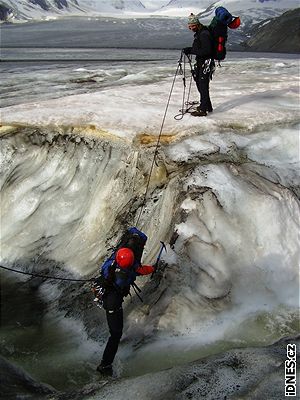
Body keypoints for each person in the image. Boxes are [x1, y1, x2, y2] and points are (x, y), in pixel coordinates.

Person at [93, 227, 155, 377]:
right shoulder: (125, 273)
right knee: (115, 334)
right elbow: (140, 270)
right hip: (111, 303)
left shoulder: (115, 260)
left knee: (115, 332)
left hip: (102, 291)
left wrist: (132, 232)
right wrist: (153, 268)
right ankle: (105, 365)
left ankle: (105, 364)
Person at [183, 13, 215, 117]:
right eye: (189, 25)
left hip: (206, 62)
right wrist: (191, 50)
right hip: (202, 62)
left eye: (192, 25)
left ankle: (203, 109)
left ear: (197, 24)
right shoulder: (200, 33)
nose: (190, 27)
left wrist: (191, 50)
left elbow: (207, 50)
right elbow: (199, 49)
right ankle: (207, 106)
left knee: (203, 85)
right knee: (201, 85)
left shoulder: (204, 34)